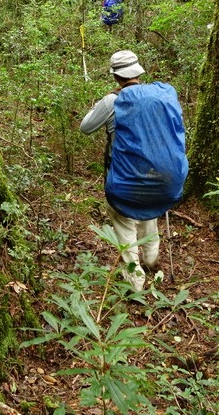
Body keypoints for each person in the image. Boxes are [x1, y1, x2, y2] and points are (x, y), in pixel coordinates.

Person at [79, 50, 187, 292]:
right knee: (149, 215)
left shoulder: (112, 101)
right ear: (138, 72)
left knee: (125, 224)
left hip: (125, 183)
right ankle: (151, 263)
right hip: (164, 179)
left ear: (115, 76)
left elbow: (86, 128)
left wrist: (99, 105)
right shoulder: (161, 96)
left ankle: (135, 284)